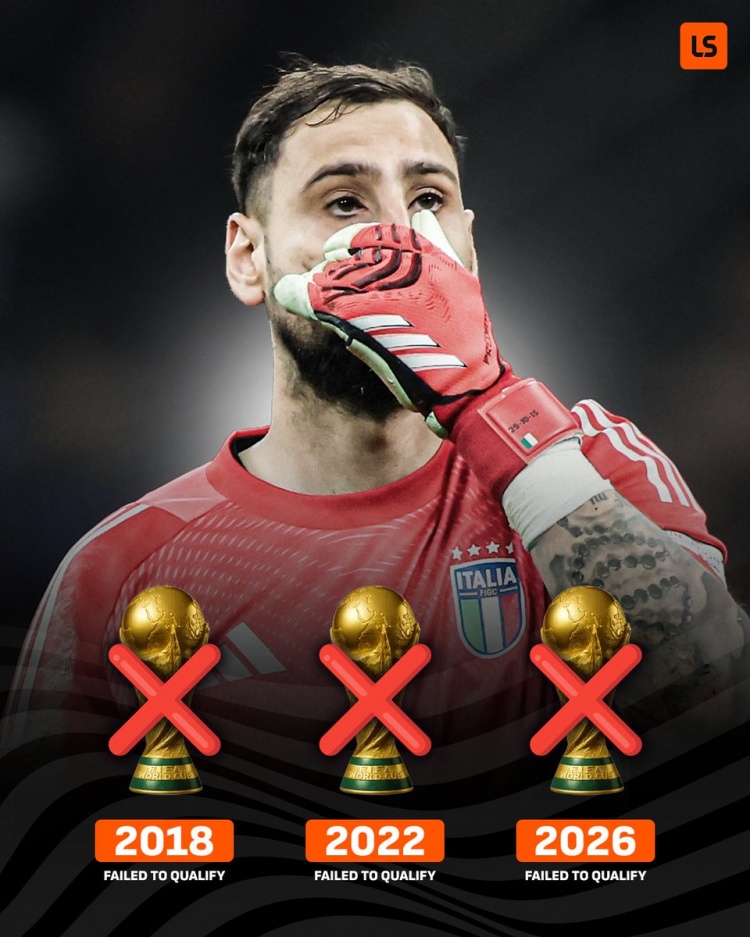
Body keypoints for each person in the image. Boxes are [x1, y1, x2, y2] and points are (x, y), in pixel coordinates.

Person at [3, 60, 748, 805]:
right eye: (343, 202)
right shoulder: (121, 565)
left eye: (428, 199)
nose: (396, 236)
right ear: (248, 258)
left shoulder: (591, 459)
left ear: (468, 248)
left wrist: (486, 401)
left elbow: (721, 718)